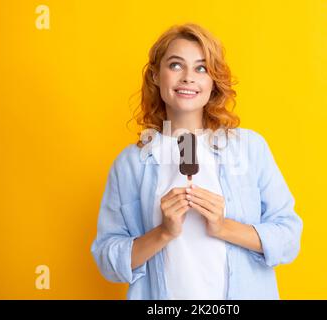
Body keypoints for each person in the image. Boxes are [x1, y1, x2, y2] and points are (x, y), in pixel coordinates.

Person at [91, 23, 303, 300]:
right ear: (156, 75)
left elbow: (288, 237)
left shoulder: (250, 148)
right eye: (176, 65)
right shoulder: (130, 164)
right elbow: (108, 260)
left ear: (213, 80)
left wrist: (222, 226)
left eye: (201, 68)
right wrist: (164, 232)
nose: (189, 77)